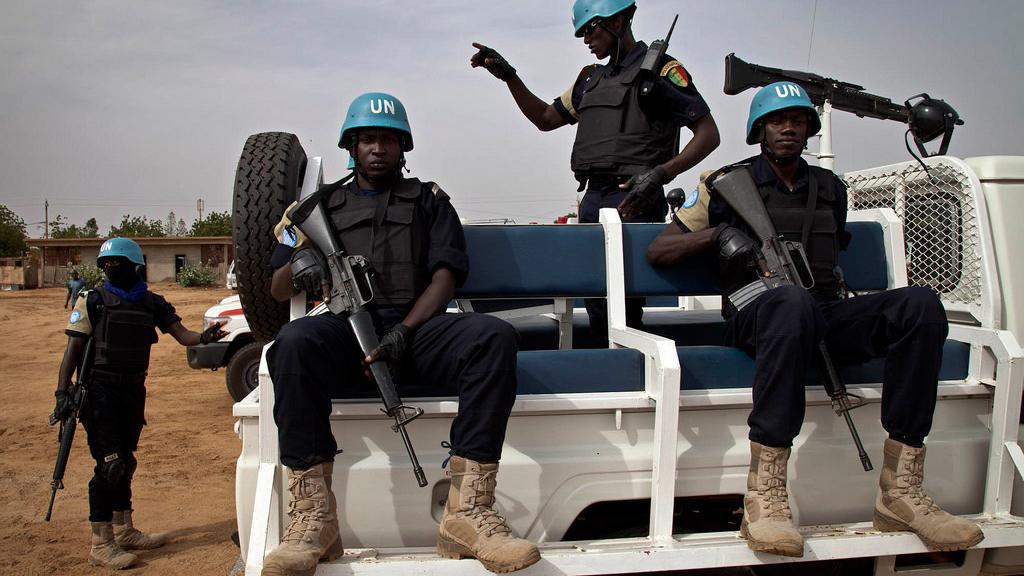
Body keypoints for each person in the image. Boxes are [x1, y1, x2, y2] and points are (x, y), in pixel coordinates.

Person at [646, 82, 984, 557]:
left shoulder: (830, 190)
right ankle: (764, 498)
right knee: (790, 304)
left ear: (809, 129)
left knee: (920, 305)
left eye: (797, 121)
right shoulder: (722, 185)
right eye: (777, 121)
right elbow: (660, 249)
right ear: (759, 130)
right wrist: (718, 235)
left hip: (820, 311)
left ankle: (901, 491)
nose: (788, 128)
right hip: (757, 314)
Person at [261, 92, 539, 575]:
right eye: (368, 139)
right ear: (351, 146)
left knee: (492, 336)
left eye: (388, 140)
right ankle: (313, 519)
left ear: (403, 147)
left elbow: (445, 279)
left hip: (418, 331)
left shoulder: (430, 200)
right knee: (292, 344)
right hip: (347, 334)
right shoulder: (313, 209)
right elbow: (276, 286)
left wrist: (404, 333)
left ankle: (468, 512)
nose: (378, 148)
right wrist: (302, 263)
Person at [470, 0, 720, 347]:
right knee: (597, 303)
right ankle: (606, 364)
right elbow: (545, 118)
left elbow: (708, 134)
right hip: (593, 200)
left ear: (618, 21)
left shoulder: (661, 70)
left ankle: (630, 368)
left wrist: (660, 175)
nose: (586, 39)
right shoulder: (589, 79)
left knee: (624, 307)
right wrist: (509, 76)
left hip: (635, 200)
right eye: (582, 33)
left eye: (590, 29)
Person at [52, 237, 226, 569]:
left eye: (116, 263)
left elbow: (182, 335)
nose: (109, 268)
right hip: (99, 392)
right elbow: (72, 350)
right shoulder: (93, 300)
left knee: (126, 462)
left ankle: (124, 529)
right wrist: (62, 392)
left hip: (132, 392)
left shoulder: (151, 303)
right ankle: (101, 544)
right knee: (109, 465)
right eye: (105, 264)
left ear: (135, 267)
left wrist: (205, 337)